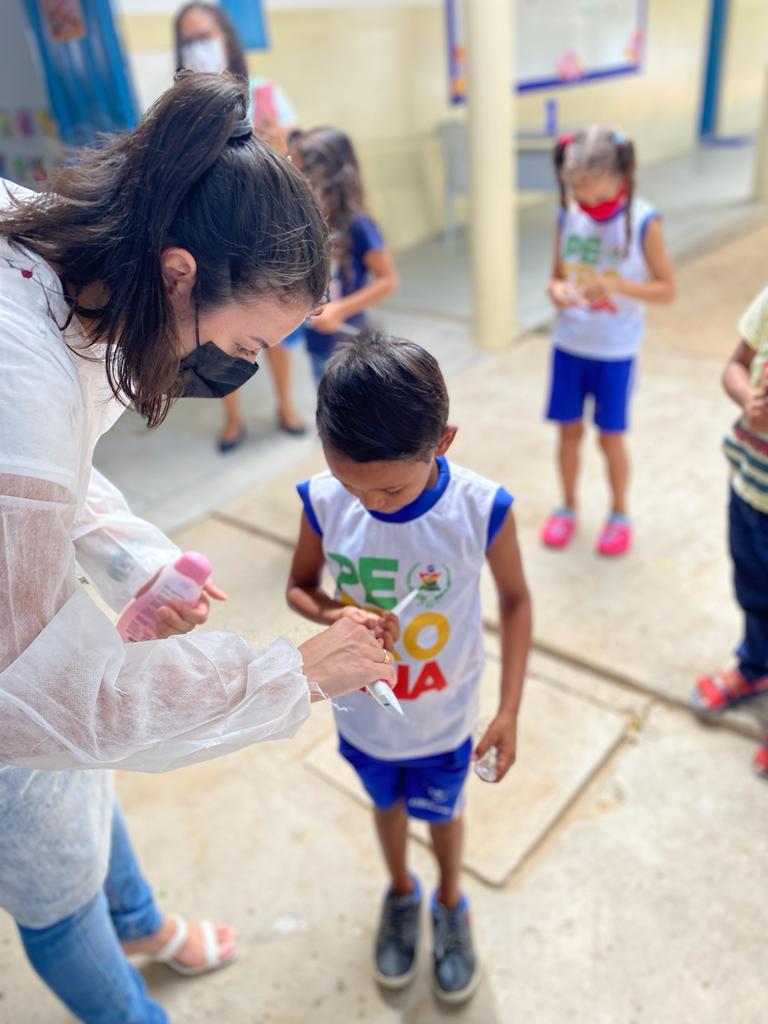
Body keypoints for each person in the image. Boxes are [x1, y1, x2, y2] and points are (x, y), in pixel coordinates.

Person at [0, 72, 395, 1024]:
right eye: (249, 344)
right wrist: (292, 673)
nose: (243, 368)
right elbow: (40, 702)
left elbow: (48, 474)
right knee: (52, 885)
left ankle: (138, 921)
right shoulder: (23, 380)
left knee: (80, 802)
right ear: (179, 273)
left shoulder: (64, 259)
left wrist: (135, 560)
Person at [286, 333, 531, 1003]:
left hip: (444, 717)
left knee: (444, 813)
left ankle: (451, 902)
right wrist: (339, 612)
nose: (370, 503)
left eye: (391, 488)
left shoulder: (480, 509)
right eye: (351, 484)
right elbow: (301, 587)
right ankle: (401, 891)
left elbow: (515, 602)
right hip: (364, 716)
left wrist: (509, 710)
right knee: (385, 805)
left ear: (442, 443)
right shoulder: (324, 500)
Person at [174, 0, 307, 448]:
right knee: (217, 331)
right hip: (210, 234)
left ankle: (285, 404)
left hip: (265, 232)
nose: (197, 47)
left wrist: (278, 142)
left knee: (273, 325)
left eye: (204, 37)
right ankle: (231, 417)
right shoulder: (181, 105)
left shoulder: (266, 93)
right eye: (187, 41)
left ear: (226, 39)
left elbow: (299, 157)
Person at [541, 125, 675, 556]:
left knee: (610, 438)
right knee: (567, 435)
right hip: (569, 344)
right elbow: (555, 277)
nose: (589, 204)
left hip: (615, 351)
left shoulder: (645, 221)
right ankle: (566, 506)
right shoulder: (568, 213)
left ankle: (619, 513)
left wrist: (619, 285)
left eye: (598, 196)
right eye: (580, 196)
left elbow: (667, 289)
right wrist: (557, 291)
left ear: (622, 177)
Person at [692, 286, 768, 778]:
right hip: (749, 484)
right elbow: (736, 365)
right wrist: (747, 398)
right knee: (753, 590)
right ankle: (755, 667)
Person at [292, 127, 398, 386]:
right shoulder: (306, 222)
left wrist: (340, 310)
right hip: (317, 344)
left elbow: (388, 281)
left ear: (327, 176)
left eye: (302, 171)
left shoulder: (359, 224)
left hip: (351, 344)